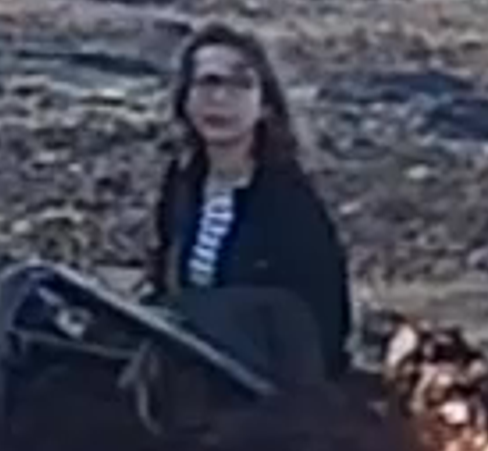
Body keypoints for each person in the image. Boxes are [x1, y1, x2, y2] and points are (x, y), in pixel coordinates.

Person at [143, 23, 354, 389]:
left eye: (240, 85)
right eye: (208, 83)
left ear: (264, 103)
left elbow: (320, 317)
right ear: (185, 98)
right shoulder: (182, 184)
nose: (220, 99)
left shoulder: (287, 200)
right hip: (185, 365)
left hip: (258, 383)